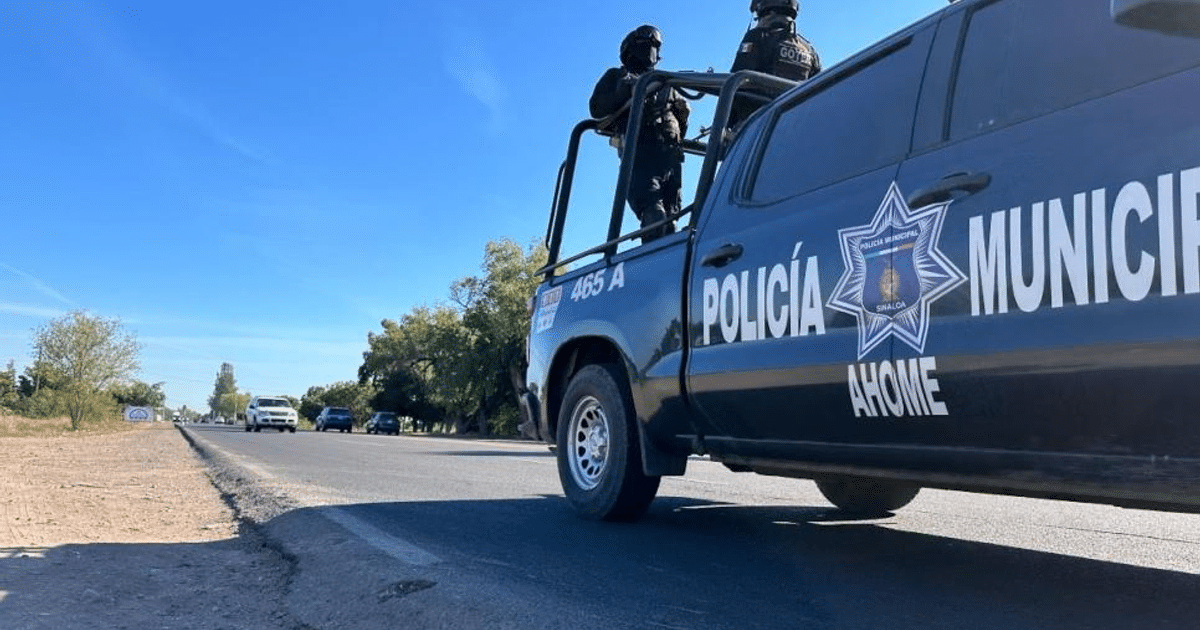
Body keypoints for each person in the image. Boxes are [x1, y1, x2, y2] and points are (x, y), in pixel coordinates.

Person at [590, 24, 690, 243]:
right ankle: (659, 260)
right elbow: (597, 108)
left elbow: (683, 115)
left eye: (653, 46)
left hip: (658, 153)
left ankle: (663, 263)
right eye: (646, 46)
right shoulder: (620, 77)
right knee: (658, 215)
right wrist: (628, 90)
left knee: (666, 217)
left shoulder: (667, 82)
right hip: (650, 152)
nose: (650, 52)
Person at [728, 0, 821, 126]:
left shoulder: (757, 37)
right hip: (796, 126)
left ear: (766, 10)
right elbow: (819, 91)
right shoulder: (809, 50)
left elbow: (735, 86)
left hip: (757, 128)